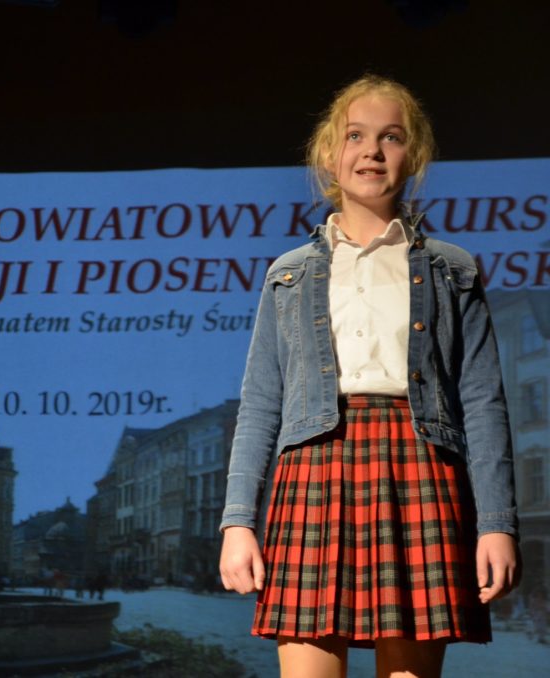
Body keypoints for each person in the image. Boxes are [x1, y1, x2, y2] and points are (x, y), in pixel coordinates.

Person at [218, 75, 521, 677]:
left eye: (392, 137)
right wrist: (237, 521)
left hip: (420, 467)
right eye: (355, 136)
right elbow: (260, 405)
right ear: (330, 153)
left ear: (415, 154)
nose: (373, 151)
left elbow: (483, 402)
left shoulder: (452, 270)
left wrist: (496, 526)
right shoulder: (288, 274)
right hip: (313, 470)